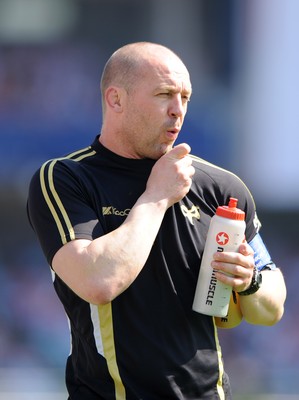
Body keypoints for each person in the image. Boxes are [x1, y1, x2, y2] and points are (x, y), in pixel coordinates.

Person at [27, 42, 286, 399]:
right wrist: (156, 197)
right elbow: (98, 281)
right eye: (164, 94)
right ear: (116, 100)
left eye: (185, 97)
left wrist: (250, 280)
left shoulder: (222, 187)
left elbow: (271, 308)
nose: (178, 110)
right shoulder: (66, 178)